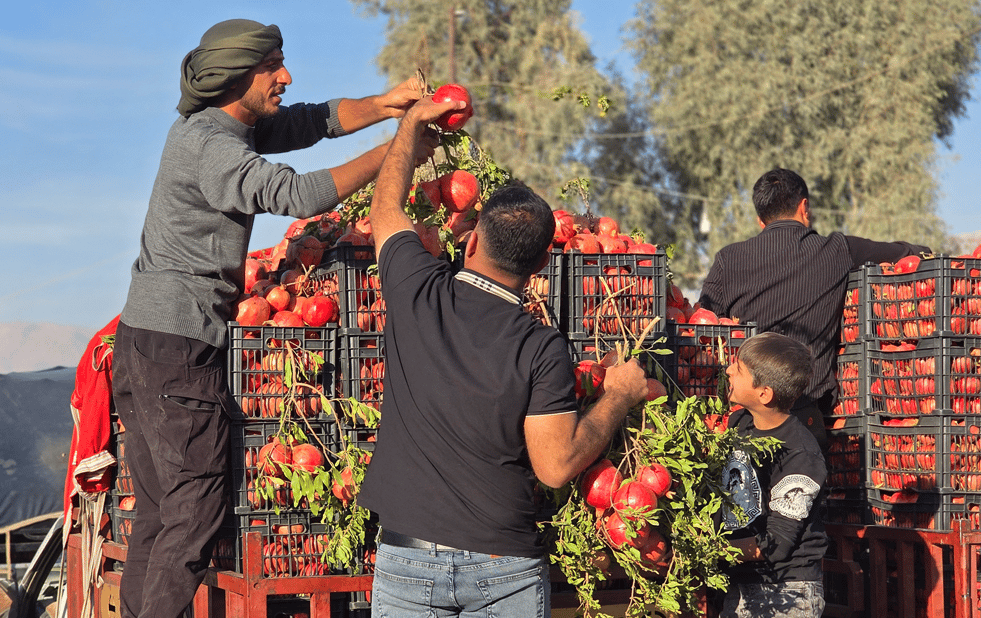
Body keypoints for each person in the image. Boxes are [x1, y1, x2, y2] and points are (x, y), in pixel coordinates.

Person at [110, 18, 437, 618]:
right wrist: (401, 150)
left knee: (160, 514)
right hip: (177, 347)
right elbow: (298, 194)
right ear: (238, 76)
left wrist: (387, 105)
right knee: (194, 511)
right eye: (273, 67)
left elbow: (308, 122)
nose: (285, 77)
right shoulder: (213, 147)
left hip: (149, 341)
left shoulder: (219, 127)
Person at [356, 95, 650, 616]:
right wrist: (617, 399)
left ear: (470, 244)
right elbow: (555, 467)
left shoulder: (417, 292)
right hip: (504, 569)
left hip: (409, 562)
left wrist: (411, 126)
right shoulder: (542, 348)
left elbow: (385, 206)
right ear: (540, 263)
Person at [698, 167, 931, 448]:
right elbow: (910, 253)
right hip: (805, 420)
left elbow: (703, 326)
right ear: (804, 207)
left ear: (761, 220)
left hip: (742, 418)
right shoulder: (836, 250)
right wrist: (919, 249)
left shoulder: (728, 259)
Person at [719, 332, 828, 618]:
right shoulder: (739, 424)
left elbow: (775, 544)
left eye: (738, 369)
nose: (729, 369)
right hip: (743, 582)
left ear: (764, 393)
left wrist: (711, 549)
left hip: (787, 594)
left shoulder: (800, 453)